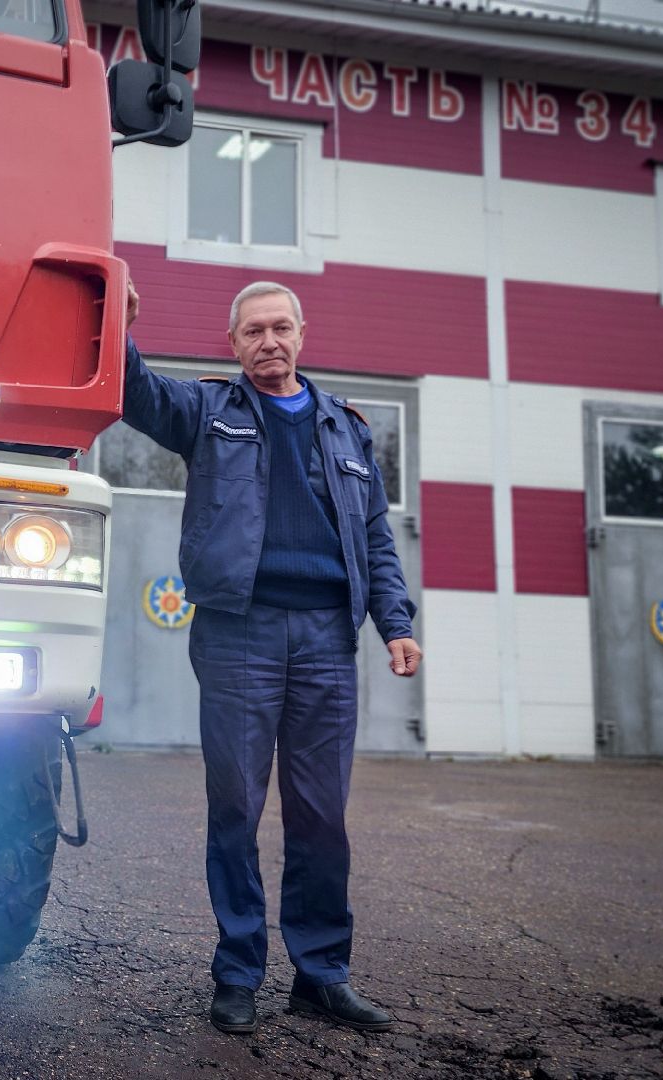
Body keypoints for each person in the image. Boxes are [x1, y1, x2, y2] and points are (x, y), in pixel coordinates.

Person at [120, 276, 422, 1036]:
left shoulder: (347, 428)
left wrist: (395, 623)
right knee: (236, 807)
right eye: (253, 331)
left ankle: (322, 975)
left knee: (321, 816)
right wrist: (118, 325)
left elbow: (376, 538)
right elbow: (138, 395)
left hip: (327, 640)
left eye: (280, 327)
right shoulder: (208, 411)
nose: (269, 342)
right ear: (233, 343)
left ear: (301, 334)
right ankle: (238, 972)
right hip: (239, 634)